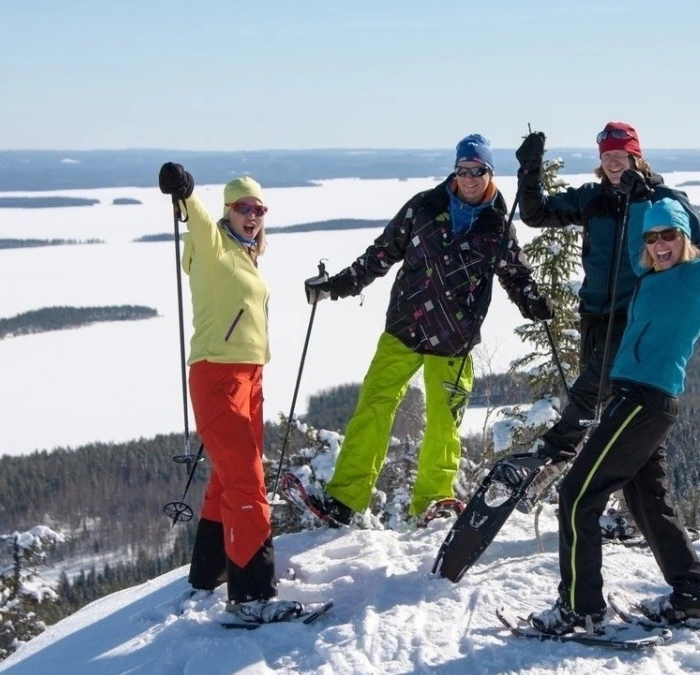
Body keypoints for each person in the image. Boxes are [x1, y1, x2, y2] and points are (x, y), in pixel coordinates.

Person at [526, 160, 700, 635]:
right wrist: (637, 198)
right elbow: (627, 235)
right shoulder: (648, 279)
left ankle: (580, 609)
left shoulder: (697, 277)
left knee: (577, 494)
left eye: (669, 236)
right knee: (648, 504)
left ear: (684, 238)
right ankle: (691, 598)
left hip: (644, 401)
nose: (659, 245)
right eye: (652, 238)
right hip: (639, 400)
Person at [301, 134, 554, 526]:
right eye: (463, 170)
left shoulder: (497, 227)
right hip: (404, 327)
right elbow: (380, 254)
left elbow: (516, 275)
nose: (469, 178)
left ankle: (434, 504)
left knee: (443, 423)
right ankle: (345, 499)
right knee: (373, 408)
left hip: (454, 339)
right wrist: (337, 286)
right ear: (454, 170)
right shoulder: (424, 207)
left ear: (490, 173)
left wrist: (533, 303)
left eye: (478, 171)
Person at [514, 123, 700, 495]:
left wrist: (692, 295)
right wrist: (530, 170)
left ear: (635, 156)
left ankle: (553, 454)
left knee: (591, 393)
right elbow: (536, 214)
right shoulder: (593, 198)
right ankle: (643, 504)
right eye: (607, 156)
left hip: (639, 318)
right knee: (622, 415)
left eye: (620, 155)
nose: (613, 163)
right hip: (594, 314)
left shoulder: (664, 200)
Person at [157, 163, 302, 624]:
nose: (252, 215)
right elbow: (196, 218)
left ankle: (209, 573)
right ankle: (253, 595)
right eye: (243, 208)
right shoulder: (214, 244)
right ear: (227, 211)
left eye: (258, 208)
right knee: (247, 481)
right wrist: (185, 193)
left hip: (249, 379)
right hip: (218, 378)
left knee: (228, 476)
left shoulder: (245, 254)